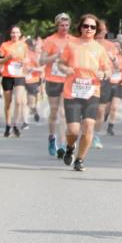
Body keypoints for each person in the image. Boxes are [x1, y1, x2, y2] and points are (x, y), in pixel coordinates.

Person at [57, 14, 112, 172]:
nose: (88, 29)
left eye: (92, 27)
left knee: (88, 125)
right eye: (85, 26)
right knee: (73, 130)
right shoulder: (71, 44)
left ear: (97, 30)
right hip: (72, 91)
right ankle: (69, 147)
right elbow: (61, 63)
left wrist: (104, 74)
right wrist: (66, 69)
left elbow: (107, 69)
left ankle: (80, 160)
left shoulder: (99, 49)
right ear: (80, 27)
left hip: (91, 91)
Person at [40, 13, 74, 157]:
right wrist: (56, 56)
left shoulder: (73, 41)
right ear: (57, 25)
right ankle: (52, 138)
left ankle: (62, 145)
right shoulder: (50, 41)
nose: (64, 28)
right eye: (61, 25)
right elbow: (41, 61)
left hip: (67, 80)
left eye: (66, 25)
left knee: (63, 113)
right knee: (54, 112)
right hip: (53, 79)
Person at [0, 25, 30, 137]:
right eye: (13, 33)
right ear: (10, 34)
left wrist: (25, 62)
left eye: (17, 32)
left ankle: (15, 124)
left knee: (19, 102)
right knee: (8, 103)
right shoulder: (5, 45)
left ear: (20, 34)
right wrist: (7, 58)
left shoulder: (24, 46)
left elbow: (27, 59)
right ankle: (8, 125)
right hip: (7, 76)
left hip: (19, 75)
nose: (15, 35)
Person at [93, 19, 118, 149]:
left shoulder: (110, 45)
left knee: (101, 111)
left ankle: (96, 135)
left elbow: (117, 65)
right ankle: (84, 131)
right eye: (99, 30)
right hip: (87, 79)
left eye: (103, 30)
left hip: (104, 80)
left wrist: (113, 58)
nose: (101, 33)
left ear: (106, 31)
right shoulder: (87, 43)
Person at [106, 41, 122, 134]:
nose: (115, 48)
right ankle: (105, 115)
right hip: (107, 84)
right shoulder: (106, 58)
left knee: (114, 107)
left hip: (119, 84)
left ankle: (110, 127)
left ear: (120, 49)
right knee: (106, 107)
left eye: (117, 46)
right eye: (113, 46)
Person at [24, 37, 44, 123]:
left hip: (34, 79)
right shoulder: (22, 54)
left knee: (32, 101)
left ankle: (34, 109)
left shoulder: (36, 55)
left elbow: (42, 68)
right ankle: (25, 120)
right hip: (23, 79)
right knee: (26, 100)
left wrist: (33, 69)